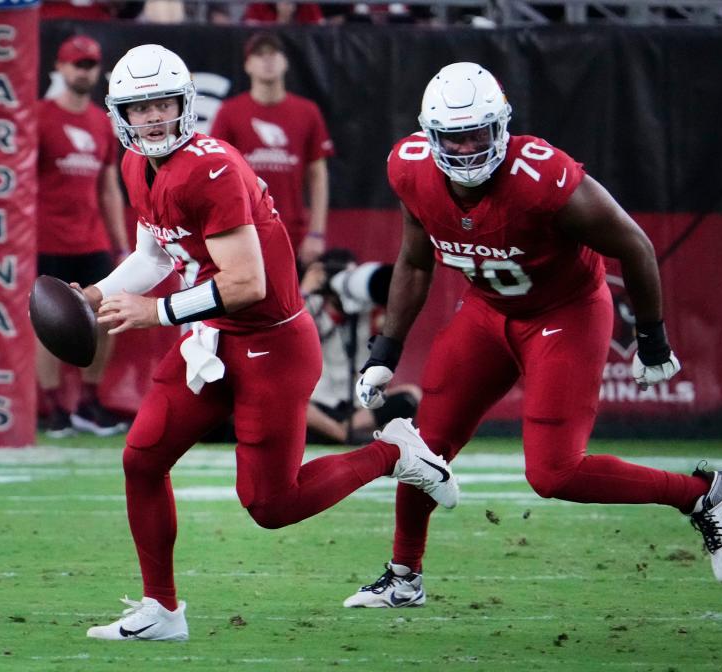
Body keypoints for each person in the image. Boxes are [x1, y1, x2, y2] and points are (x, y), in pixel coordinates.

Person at [78, 44, 458, 641]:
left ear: (186, 103)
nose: (152, 117)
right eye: (139, 106)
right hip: (211, 337)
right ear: (119, 112)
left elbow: (247, 283)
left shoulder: (211, 168)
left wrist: (159, 312)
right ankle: (162, 610)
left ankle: (394, 453)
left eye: (162, 103)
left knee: (270, 505)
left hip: (269, 344)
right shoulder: (135, 165)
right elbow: (154, 255)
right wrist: (95, 295)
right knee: (141, 458)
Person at [344, 62, 722, 608]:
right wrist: (385, 351)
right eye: (452, 137)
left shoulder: (542, 177)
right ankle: (403, 576)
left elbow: (634, 245)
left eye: (476, 135)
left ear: (501, 127)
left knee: (554, 472)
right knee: (422, 446)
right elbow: (415, 262)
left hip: (565, 314)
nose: (465, 150)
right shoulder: (410, 168)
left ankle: (705, 495)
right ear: (428, 136)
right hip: (488, 311)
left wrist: (652, 337)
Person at [36, 34, 130, 438]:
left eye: (90, 64)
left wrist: (121, 244)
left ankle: (89, 402)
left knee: (106, 316)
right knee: (47, 323)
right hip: (47, 239)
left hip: (91, 239)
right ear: (59, 68)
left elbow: (109, 187)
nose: (83, 71)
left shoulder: (100, 123)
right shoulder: (39, 116)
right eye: (76, 64)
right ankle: (55, 407)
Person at [209, 32, 334, 268]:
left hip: (292, 232)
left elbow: (318, 176)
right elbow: (215, 176)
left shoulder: (307, 112)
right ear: (247, 65)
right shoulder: (230, 112)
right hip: (244, 230)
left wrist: (316, 233)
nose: (267, 60)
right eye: (259, 54)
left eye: (273, 53)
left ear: (285, 61)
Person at [301, 249, 421, 444]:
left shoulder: (366, 307)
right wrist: (305, 290)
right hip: (317, 402)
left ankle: (335, 432)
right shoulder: (311, 305)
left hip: (357, 406)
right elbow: (288, 330)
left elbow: (392, 301)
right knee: (289, 403)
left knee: (411, 395)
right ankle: (341, 434)